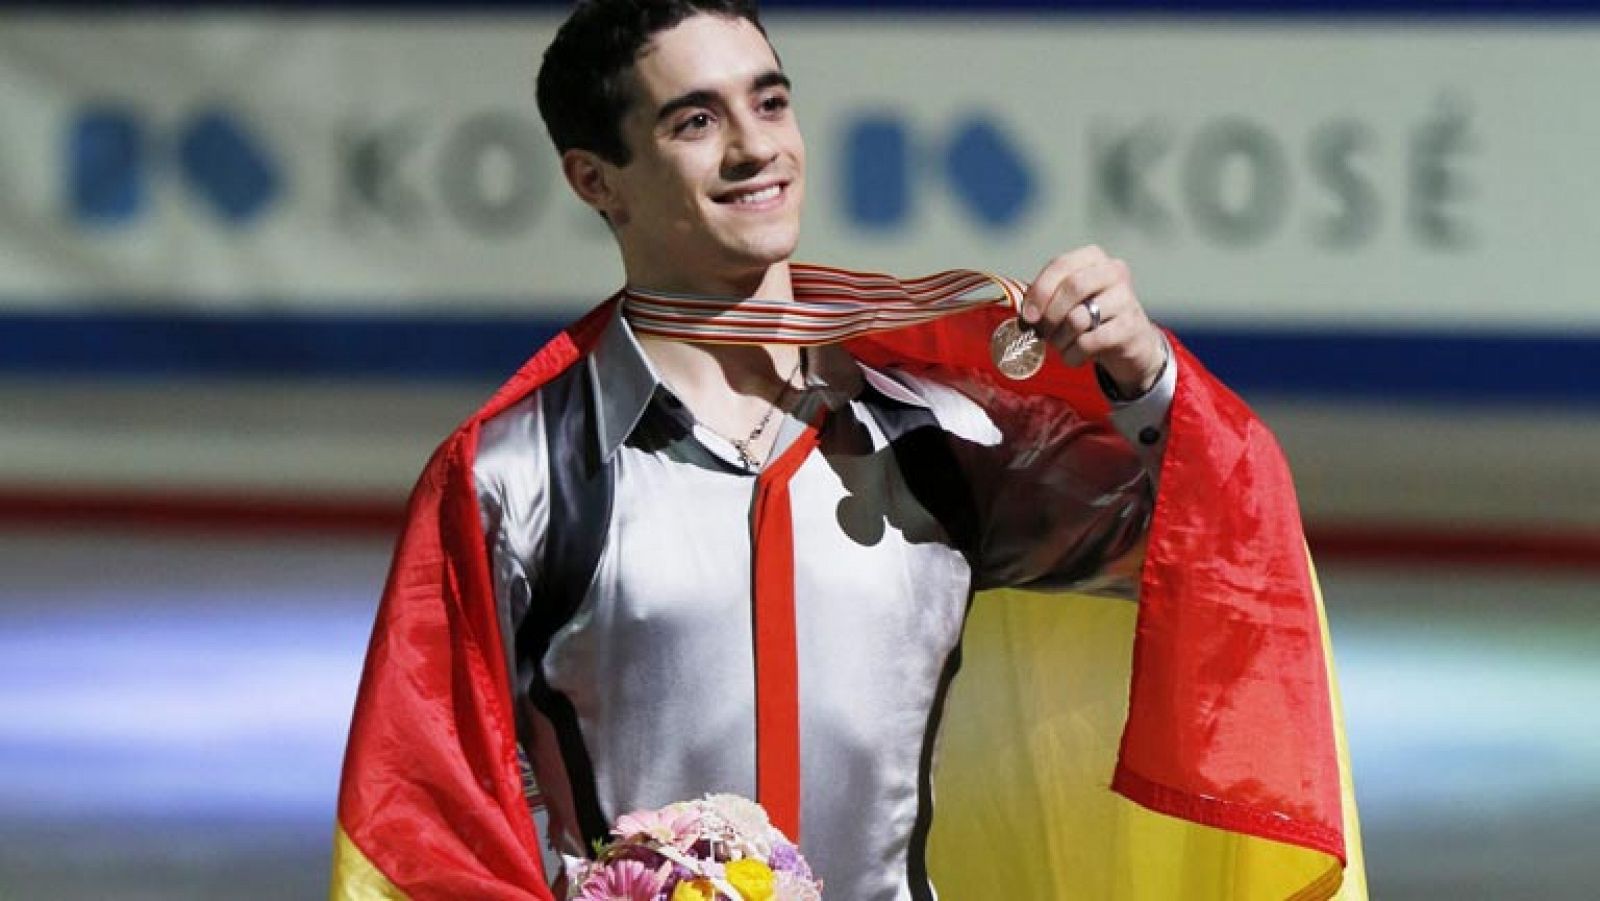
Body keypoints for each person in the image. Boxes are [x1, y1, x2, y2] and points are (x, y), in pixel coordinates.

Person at [331, 3, 1363, 899]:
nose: (755, 148)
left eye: (770, 103)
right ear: (596, 179)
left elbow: (1217, 558)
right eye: (696, 121)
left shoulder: (936, 438)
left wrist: (1145, 380)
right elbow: (430, 818)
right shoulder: (514, 477)